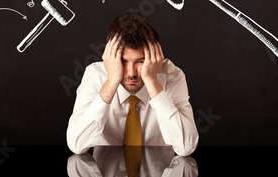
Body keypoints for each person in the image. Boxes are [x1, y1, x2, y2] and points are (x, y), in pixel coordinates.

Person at [66, 13, 198, 156]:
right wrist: (111, 81)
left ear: (155, 57)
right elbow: (76, 145)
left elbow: (186, 147)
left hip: (159, 176)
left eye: (140, 61)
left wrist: (152, 81)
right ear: (110, 56)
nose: (131, 73)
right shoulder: (95, 75)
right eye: (123, 61)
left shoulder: (172, 77)